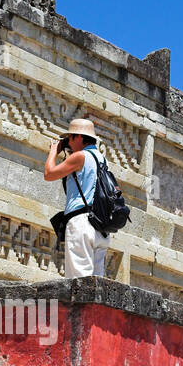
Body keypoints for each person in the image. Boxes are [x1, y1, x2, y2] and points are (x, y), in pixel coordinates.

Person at [43, 117, 110, 280]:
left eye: (70, 137)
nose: (69, 142)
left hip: (82, 224)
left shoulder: (80, 157)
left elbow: (49, 174)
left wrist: (53, 151)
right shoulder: (103, 159)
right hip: (102, 227)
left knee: (79, 283)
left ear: (79, 137)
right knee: (95, 284)